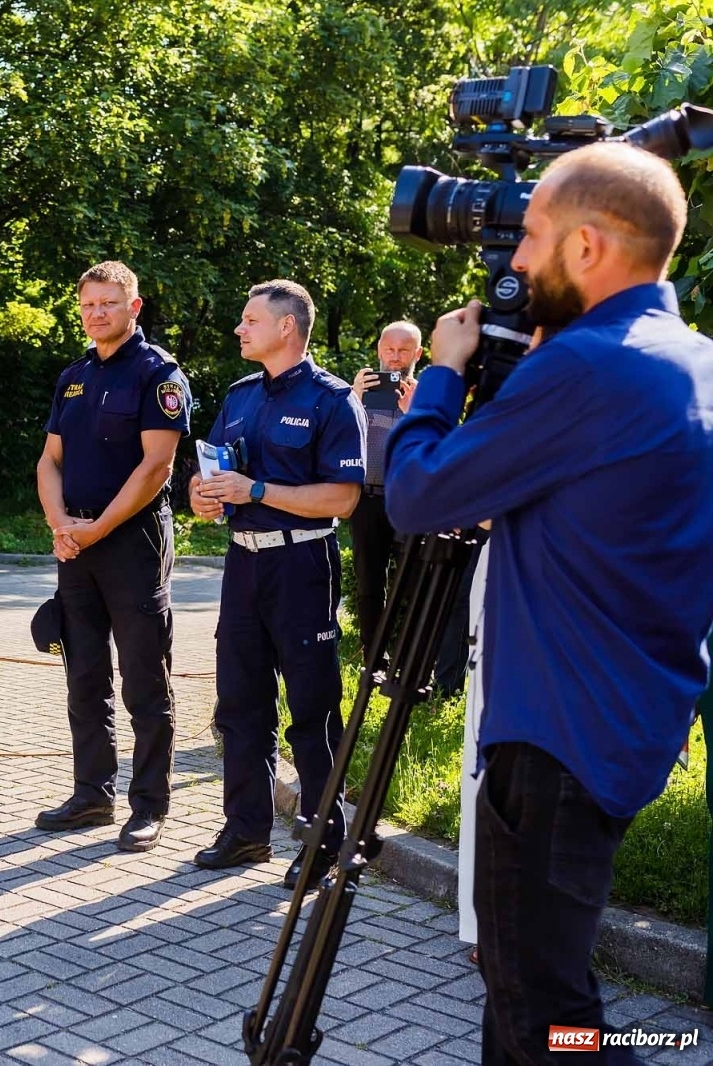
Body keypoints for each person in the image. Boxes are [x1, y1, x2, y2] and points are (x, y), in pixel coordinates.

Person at [385, 142, 713, 1064]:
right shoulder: (689, 360)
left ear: (589, 248)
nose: (514, 261)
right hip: (622, 720)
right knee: (522, 989)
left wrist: (445, 373)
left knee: (550, 1020)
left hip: (556, 741)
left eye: (531, 235)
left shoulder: (588, 371)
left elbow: (417, 496)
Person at [189, 280, 364, 887]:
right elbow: (212, 471)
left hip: (302, 567)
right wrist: (203, 494)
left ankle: (323, 838)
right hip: (243, 564)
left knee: (312, 710)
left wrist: (257, 491)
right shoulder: (239, 396)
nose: (239, 329)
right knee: (240, 703)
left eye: (248, 318)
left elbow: (342, 497)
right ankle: (246, 831)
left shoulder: (333, 401)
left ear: (287, 327)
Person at [35, 261, 190, 853]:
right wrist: (59, 524)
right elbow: (49, 460)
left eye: (109, 303)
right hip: (75, 543)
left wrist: (96, 528)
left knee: (145, 680)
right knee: (84, 674)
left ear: (134, 306)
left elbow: (157, 466)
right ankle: (91, 795)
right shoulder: (72, 377)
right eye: (89, 304)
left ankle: (149, 806)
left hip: (132, 544)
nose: (97, 313)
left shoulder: (160, 375)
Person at [348, 322, 419, 655]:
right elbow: (340, 440)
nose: (394, 358)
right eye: (389, 350)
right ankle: (372, 653)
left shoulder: (426, 397)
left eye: (403, 350)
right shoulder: (356, 394)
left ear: (417, 354)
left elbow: (438, 445)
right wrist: (353, 398)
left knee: (410, 581)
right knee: (369, 580)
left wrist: (417, 411)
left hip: (410, 500)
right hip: (368, 498)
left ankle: (408, 657)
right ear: (378, 349)